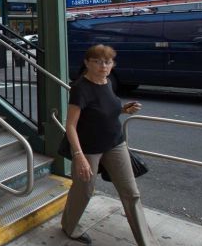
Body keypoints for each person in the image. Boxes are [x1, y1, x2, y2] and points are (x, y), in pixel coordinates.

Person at [61, 44, 157, 245]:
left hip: (115, 143)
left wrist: (122, 110)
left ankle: (146, 242)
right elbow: (70, 125)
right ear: (87, 63)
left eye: (108, 61)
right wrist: (79, 157)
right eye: (97, 61)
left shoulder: (107, 82)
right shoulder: (80, 88)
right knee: (84, 191)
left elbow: (103, 110)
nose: (103, 66)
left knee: (131, 193)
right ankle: (69, 226)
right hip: (87, 148)